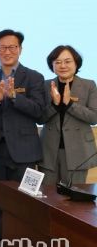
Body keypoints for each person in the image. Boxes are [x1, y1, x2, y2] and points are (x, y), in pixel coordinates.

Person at [0, 29, 45, 240]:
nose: (7, 51)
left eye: (12, 47)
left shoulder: (34, 77)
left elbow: (39, 112)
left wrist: (15, 97)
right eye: (2, 47)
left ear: (20, 49)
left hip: (25, 152)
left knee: (27, 202)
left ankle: (25, 244)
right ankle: (0, 242)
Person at [39, 45, 97, 185]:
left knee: (73, 195)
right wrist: (54, 105)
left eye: (67, 61)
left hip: (78, 150)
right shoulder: (45, 85)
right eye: (58, 62)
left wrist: (70, 104)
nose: (63, 66)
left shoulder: (89, 85)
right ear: (52, 65)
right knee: (47, 194)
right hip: (49, 151)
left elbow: (94, 117)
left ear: (76, 63)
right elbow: (39, 118)